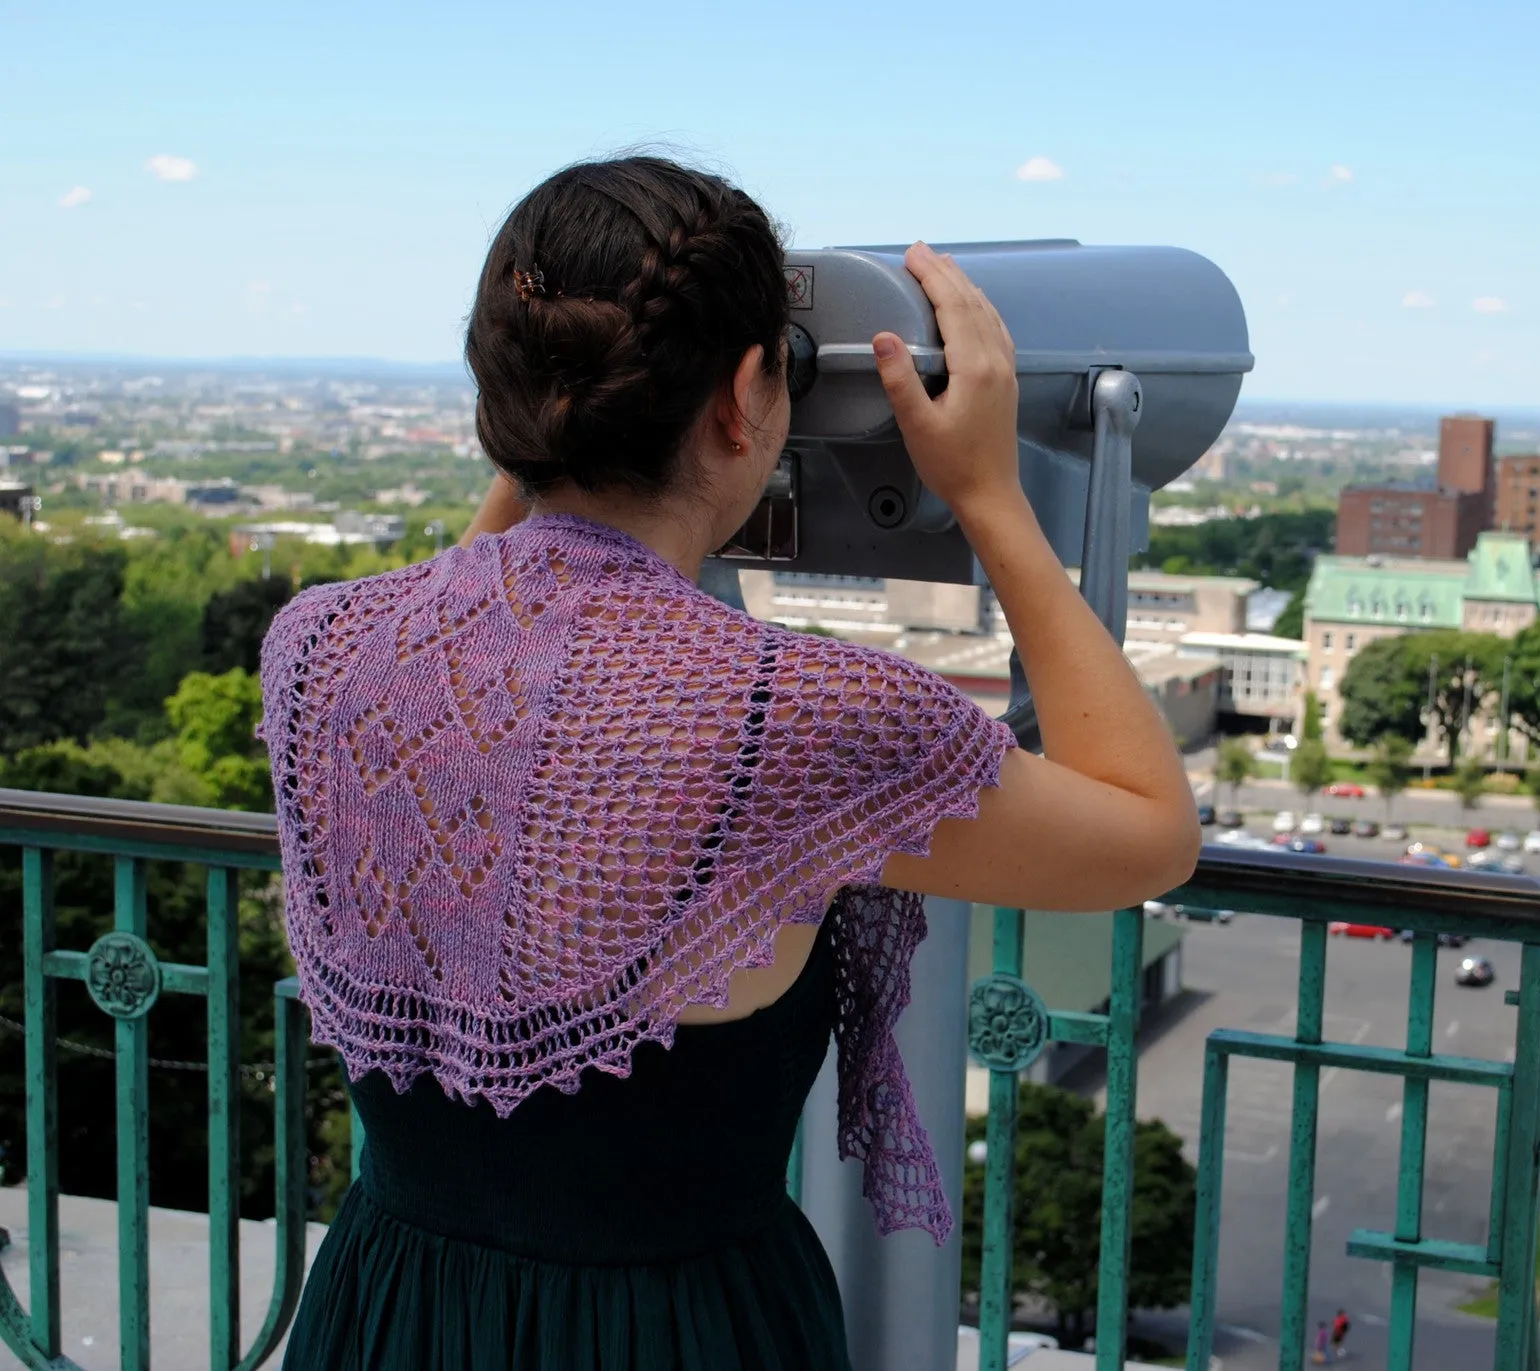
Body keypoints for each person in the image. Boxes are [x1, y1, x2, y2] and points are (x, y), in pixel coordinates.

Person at [260, 156, 1200, 1371]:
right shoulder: (788, 715)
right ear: (745, 395)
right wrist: (990, 497)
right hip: (667, 1334)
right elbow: (1145, 831)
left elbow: (472, 647)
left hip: (387, 1309)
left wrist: (549, 451)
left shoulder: (321, 648)